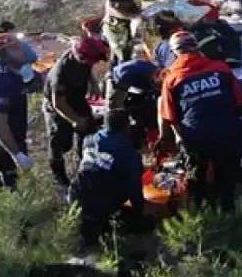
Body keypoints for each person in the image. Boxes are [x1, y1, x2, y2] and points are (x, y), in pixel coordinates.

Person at [158, 31, 242, 212]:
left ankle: (197, 216)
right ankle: (228, 213)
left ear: (175, 53)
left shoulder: (172, 79)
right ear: (197, 47)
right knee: (226, 177)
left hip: (195, 137)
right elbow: (240, 100)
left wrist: (176, 137)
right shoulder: (221, 68)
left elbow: (169, 115)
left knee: (195, 176)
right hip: (226, 132)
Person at [68, 109, 151, 247]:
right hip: (103, 204)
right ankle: (102, 225)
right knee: (145, 222)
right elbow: (135, 194)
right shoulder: (129, 156)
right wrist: (139, 214)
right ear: (126, 127)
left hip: (76, 195)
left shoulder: (89, 140)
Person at [43, 34, 111, 188]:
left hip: (77, 99)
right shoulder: (61, 72)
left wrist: (93, 85)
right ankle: (59, 177)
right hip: (58, 107)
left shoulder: (86, 58)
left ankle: (87, 165)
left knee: (88, 131)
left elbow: (88, 71)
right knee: (60, 142)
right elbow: (58, 103)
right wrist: (75, 120)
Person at [0, 33, 34, 202]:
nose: (22, 50)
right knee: (13, 188)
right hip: (2, 146)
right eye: (15, 48)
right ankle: (16, 223)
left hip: (3, 141)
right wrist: (17, 155)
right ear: (4, 56)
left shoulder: (11, 74)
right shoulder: (2, 83)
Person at [109, 59, 162, 149]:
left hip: (141, 86)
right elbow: (116, 103)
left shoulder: (158, 73)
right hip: (120, 81)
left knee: (150, 112)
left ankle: (150, 143)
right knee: (123, 116)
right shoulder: (128, 74)